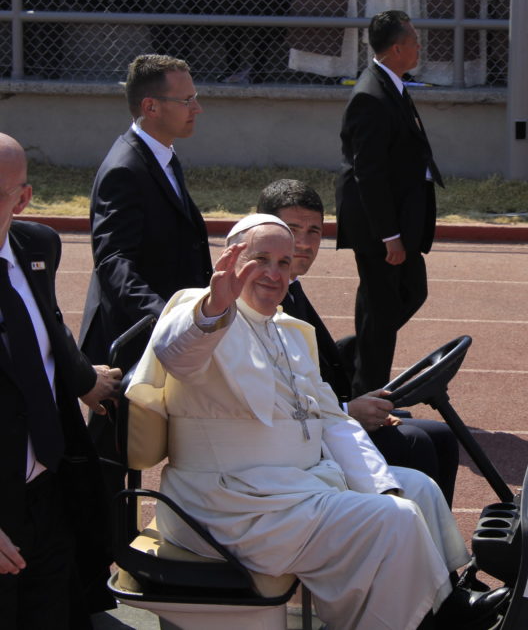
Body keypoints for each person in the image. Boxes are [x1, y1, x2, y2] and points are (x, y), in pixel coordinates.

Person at [125, 215, 506, 629]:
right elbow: (175, 353)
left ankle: (445, 603)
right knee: (394, 521)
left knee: (417, 489)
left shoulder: (288, 331)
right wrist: (216, 304)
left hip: (293, 488)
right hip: (231, 502)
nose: (273, 273)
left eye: (284, 263)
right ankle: (437, 618)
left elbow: (333, 421)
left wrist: (383, 486)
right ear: (231, 259)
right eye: (260, 259)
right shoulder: (200, 312)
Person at [258, 179, 460, 506]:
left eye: (314, 231)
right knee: (416, 444)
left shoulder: (292, 287)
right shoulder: (262, 297)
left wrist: (361, 404)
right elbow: (275, 395)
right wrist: (349, 411)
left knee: (443, 437)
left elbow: (320, 368)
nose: (306, 243)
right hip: (297, 441)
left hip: (326, 414)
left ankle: (433, 545)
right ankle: (405, 545)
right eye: (293, 229)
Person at [0, 133, 123, 627]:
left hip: (48, 495)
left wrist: (82, 379)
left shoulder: (37, 246)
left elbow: (48, 327)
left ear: (22, 199)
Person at [79, 54, 213, 499]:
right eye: (187, 99)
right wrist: (167, 317)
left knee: (125, 457)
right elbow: (114, 260)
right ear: (151, 107)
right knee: (105, 463)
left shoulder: (162, 156)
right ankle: (89, 561)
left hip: (159, 335)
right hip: (129, 340)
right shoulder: (125, 167)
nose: (197, 108)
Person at [337, 10, 444, 397]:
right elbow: (369, 173)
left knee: (407, 294)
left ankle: (351, 361)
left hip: (399, 218)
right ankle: (370, 397)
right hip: (380, 225)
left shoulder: (390, 83)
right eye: (414, 43)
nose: (419, 48)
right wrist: (390, 236)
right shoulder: (371, 95)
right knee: (383, 310)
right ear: (397, 48)